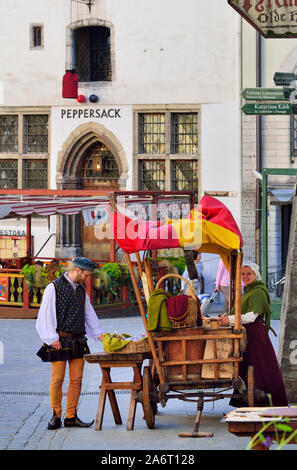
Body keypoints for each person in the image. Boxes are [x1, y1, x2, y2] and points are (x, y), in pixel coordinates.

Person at [36, 257, 106, 430]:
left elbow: (89, 314)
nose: (88, 278)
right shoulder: (54, 287)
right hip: (59, 340)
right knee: (57, 379)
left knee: (76, 380)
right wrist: (52, 338)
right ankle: (56, 415)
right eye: (87, 275)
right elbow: (46, 314)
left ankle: (71, 416)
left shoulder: (81, 290)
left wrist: (99, 334)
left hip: (78, 340)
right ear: (77, 270)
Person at [219, 262, 288, 407]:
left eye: (249, 273)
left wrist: (229, 319)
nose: (245, 276)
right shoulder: (249, 290)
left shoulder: (258, 291)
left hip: (254, 335)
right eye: (243, 274)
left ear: (256, 275)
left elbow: (251, 316)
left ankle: (265, 402)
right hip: (247, 334)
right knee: (246, 366)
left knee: (259, 367)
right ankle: (246, 401)